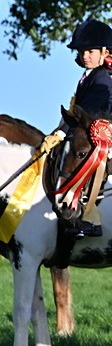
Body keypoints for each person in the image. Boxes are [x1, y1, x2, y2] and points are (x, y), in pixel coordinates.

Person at [41, 18, 112, 237]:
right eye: (82, 52)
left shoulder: (103, 79)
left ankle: (90, 220)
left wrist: (61, 132)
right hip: (95, 131)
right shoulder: (88, 77)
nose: (85, 56)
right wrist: (57, 133)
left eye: (90, 52)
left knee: (89, 160)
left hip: (105, 134)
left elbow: (85, 113)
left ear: (104, 52)